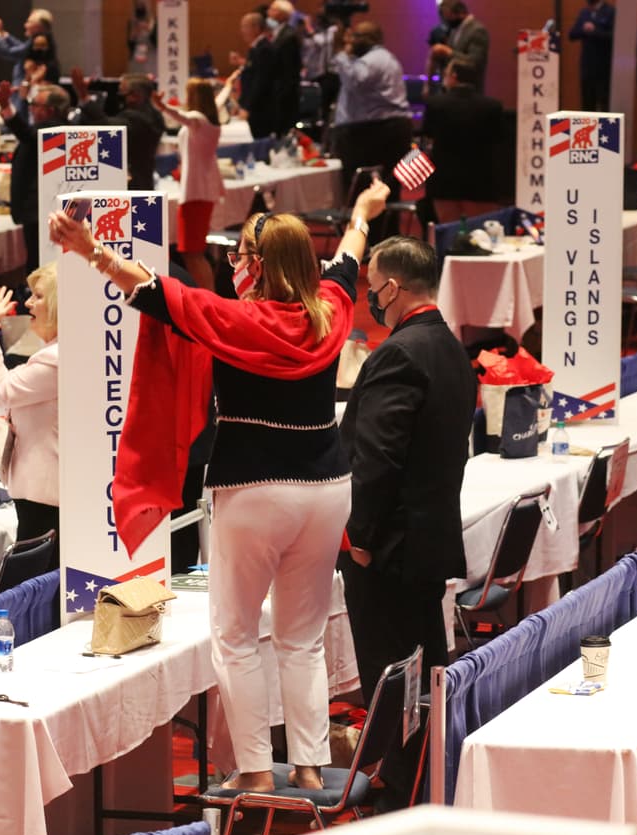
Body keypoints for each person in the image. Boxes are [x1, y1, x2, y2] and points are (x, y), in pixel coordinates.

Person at [48, 177, 391, 793]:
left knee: (235, 637)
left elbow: (152, 291)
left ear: (257, 266)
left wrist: (90, 249)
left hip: (253, 491)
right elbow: (352, 249)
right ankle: (311, 768)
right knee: (303, 639)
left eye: (237, 256)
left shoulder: (234, 318)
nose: (231, 265)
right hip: (328, 488)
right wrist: (366, 208)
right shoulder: (334, 308)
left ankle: (258, 772)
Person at [340, 234, 475, 808]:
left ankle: (402, 797)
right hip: (430, 540)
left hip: (390, 549)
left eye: (372, 286)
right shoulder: (451, 348)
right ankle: (425, 780)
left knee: (392, 679)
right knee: (425, 672)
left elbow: (377, 458)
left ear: (392, 286)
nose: (370, 296)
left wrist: (361, 538)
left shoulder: (396, 353)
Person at [0, 273, 61, 549]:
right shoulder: (56, 353)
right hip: (42, 491)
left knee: (40, 583)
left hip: (47, 494)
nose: (28, 303)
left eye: (38, 296)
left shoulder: (55, 359)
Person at [332, 22, 412, 237]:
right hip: (384, 128)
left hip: (376, 131)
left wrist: (341, 54)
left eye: (355, 36)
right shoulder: (381, 58)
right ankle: (382, 239)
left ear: (370, 38)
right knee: (384, 188)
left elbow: (355, 81)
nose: (351, 41)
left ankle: (373, 238)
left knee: (368, 188)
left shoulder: (373, 59)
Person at [152, 79, 223, 292]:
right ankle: (207, 295)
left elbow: (182, 117)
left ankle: (207, 297)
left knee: (193, 252)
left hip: (195, 192)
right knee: (194, 251)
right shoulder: (211, 121)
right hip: (200, 189)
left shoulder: (198, 119)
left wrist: (162, 106)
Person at [0, 80, 72, 274]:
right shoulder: (45, 129)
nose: (31, 109)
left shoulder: (54, 130)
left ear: (51, 110)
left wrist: (6, 106)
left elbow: (26, 134)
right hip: (40, 211)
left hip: (40, 212)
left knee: (40, 268)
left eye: (35, 105)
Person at [422, 59, 503, 221]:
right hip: (481, 181)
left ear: (454, 76)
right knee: (481, 236)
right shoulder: (493, 106)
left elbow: (428, 134)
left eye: (445, 74)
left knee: (447, 235)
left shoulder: (436, 104)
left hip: (444, 181)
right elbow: (499, 139)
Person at [72, 70, 165, 192]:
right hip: (144, 182)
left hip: (134, 188)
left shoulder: (136, 118)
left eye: (122, 92)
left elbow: (107, 126)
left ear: (136, 95)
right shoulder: (156, 115)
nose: (119, 95)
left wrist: (84, 97)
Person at [231, 12, 275, 138]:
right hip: (254, 108)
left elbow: (260, 82)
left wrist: (247, 107)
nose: (242, 31)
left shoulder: (264, 49)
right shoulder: (255, 48)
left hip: (260, 111)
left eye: (245, 27)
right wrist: (240, 104)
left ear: (256, 28)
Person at [428, 1, 489, 91]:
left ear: (460, 13)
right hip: (449, 90)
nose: (446, 21)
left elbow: (475, 63)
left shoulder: (477, 31)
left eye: (449, 17)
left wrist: (448, 52)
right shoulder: (455, 29)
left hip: (469, 92)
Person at [264, 0, 303, 137]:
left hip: (284, 97)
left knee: (283, 134)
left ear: (282, 14)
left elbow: (289, 72)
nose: (268, 12)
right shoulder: (278, 33)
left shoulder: (289, 36)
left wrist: (280, 96)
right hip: (277, 94)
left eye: (272, 9)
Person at [569, 0, 615, 111]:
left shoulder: (611, 12)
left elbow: (615, 37)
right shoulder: (584, 12)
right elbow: (571, 35)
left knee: (605, 105)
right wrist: (583, 29)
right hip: (587, 68)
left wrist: (595, 31)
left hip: (604, 68)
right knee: (587, 105)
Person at [126, 0, 156, 74]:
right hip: (136, 58)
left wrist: (147, 28)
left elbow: (156, 42)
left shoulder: (153, 22)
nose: (140, 5)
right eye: (138, 3)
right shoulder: (132, 22)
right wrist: (134, 33)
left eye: (142, 3)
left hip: (151, 57)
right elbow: (129, 45)